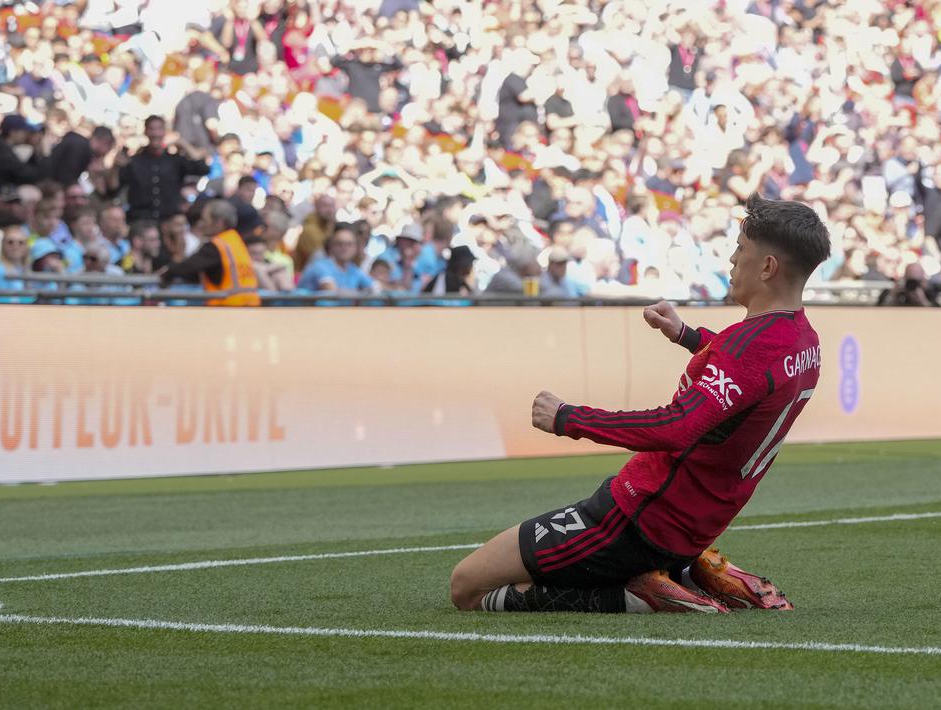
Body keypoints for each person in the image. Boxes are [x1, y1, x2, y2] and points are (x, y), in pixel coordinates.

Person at [449, 195, 830, 614]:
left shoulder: (748, 347)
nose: (732, 260)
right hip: (692, 521)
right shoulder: (802, 338)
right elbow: (750, 378)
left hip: (640, 516)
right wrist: (686, 335)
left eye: (741, 249)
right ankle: (687, 571)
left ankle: (640, 595)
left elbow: (676, 427)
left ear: (768, 267)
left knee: (467, 587)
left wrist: (568, 418)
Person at [159, 199, 262, 306]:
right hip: (248, 305)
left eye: (205, 219)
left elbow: (190, 265)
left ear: (219, 222)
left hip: (228, 307)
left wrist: (167, 273)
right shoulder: (235, 240)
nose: (202, 224)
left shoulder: (217, 245)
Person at [114, 116, 210, 223]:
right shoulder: (134, 161)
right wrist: (115, 166)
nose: (155, 134)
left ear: (165, 131)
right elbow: (114, 187)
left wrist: (184, 144)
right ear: (145, 132)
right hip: (142, 220)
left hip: (169, 220)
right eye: (151, 129)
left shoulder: (175, 160)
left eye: (159, 129)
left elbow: (203, 169)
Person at [297, 223, 376, 293]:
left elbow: (376, 287)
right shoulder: (320, 266)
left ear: (355, 247)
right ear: (331, 246)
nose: (344, 248)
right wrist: (363, 293)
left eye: (349, 244)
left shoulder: (353, 269)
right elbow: (331, 291)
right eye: (339, 244)